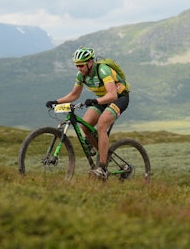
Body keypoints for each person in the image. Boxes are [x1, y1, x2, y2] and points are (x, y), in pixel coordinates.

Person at [45, 46, 130, 180]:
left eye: (81, 65)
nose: (79, 68)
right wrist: (57, 101)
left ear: (90, 62)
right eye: (77, 66)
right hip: (102, 100)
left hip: (119, 98)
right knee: (84, 126)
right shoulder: (81, 75)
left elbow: (113, 95)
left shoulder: (103, 70)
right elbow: (74, 94)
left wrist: (95, 100)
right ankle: (104, 155)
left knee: (101, 125)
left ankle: (102, 167)